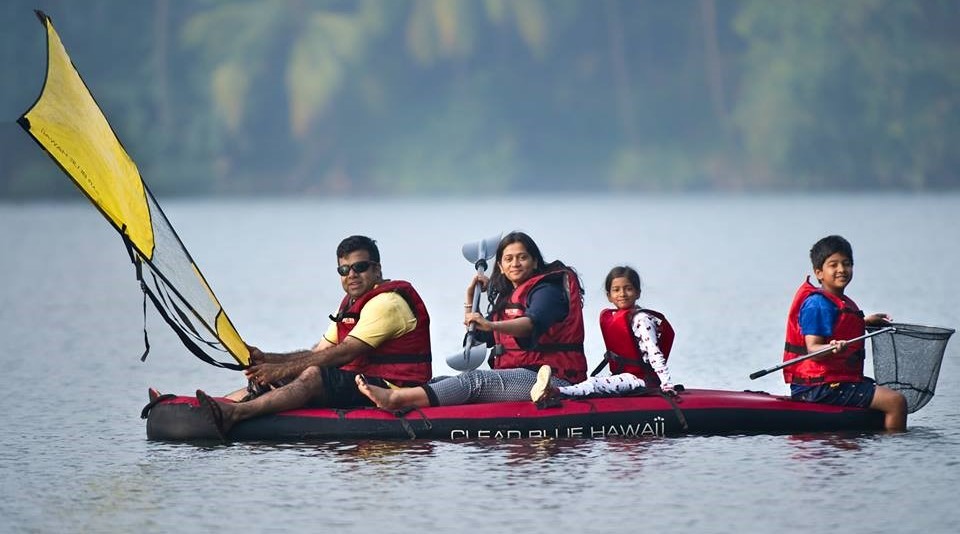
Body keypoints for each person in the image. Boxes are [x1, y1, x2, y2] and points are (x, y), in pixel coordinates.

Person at [186, 235, 432, 439]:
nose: (352, 275)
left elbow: (344, 352)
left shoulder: (388, 303)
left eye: (360, 267)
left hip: (394, 387)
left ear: (377, 269)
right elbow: (319, 352)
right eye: (344, 269)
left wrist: (280, 370)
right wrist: (268, 360)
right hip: (361, 381)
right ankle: (204, 410)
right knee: (290, 373)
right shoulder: (351, 305)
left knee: (313, 375)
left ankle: (234, 415)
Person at [355, 231, 587, 409]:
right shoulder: (507, 300)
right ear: (501, 267)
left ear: (535, 262)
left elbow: (531, 324)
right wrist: (470, 301)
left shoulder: (548, 291)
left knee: (474, 381)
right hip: (522, 376)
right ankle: (386, 397)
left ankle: (395, 399)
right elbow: (477, 339)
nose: (515, 263)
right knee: (442, 380)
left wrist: (491, 324)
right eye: (509, 259)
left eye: (522, 257)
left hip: (552, 380)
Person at [783, 235, 906, 431]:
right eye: (833, 265)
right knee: (896, 402)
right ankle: (896, 450)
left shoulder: (837, 302)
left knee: (885, 395)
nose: (841, 269)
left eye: (847, 264)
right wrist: (831, 347)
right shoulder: (817, 304)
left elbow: (837, 324)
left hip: (833, 381)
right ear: (819, 272)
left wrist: (864, 322)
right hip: (816, 388)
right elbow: (812, 347)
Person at [530, 265, 677, 403]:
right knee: (595, 382)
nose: (622, 294)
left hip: (641, 379)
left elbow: (654, 353)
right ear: (609, 296)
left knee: (594, 383)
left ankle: (554, 391)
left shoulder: (642, 320)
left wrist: (667, 384)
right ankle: (556, 391)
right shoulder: (614, 317)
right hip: (625, 377)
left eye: (628, 289)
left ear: (638, 293)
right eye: (616, 290)